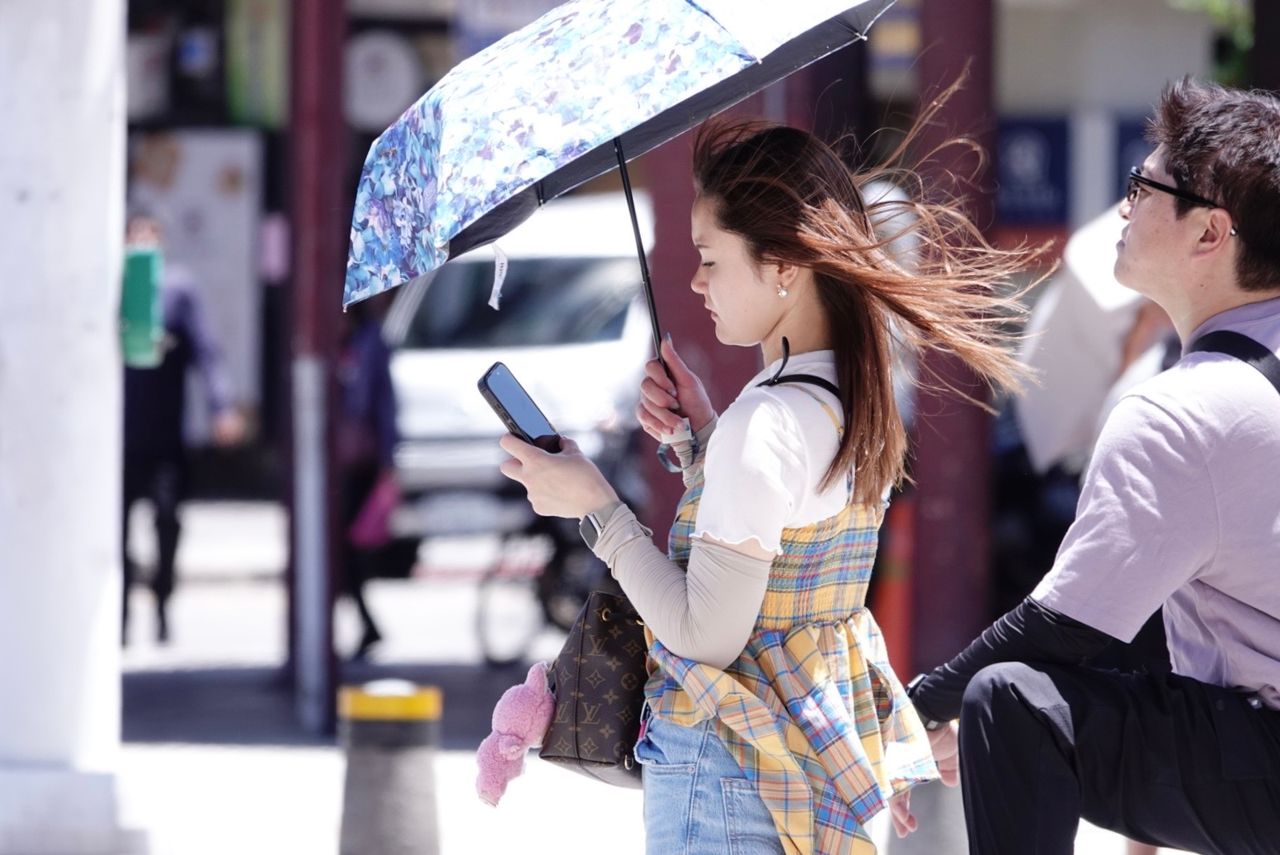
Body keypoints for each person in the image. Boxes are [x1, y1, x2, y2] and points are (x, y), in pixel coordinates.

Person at [496, 103, 1041, 853]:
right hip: (810, 762)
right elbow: (788, 548)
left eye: (712, 258)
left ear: (783, 266)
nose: (696, 282)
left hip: (728, 765)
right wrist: (703, 441)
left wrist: (596, 507)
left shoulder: (767, 424)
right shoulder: (854, 400)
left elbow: (705, 635)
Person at [904, 78, 1280, 855]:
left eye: (1142, 187)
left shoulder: (1183, 410)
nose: (1124, 207)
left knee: (1012, 698)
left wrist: (912, 707)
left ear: (1211, 234)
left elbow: (1064, 625)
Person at [122, 210, 245, 644]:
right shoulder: (110, 288)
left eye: (148, 236)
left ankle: (161, 603)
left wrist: (222, 406)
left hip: (164, 435)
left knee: (168, 522)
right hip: (115, 441)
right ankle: (118, 617)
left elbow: (207, 353)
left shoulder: (176, 292)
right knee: (112, 532)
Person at [336, 296, 400, 660]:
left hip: (361, 462)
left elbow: (385, 403)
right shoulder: (334, 341)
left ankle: (366, 623)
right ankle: (365, 623)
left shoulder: (369, 339)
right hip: (334, 461)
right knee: (340, 551)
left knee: (349, 550)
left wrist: (388, 460)